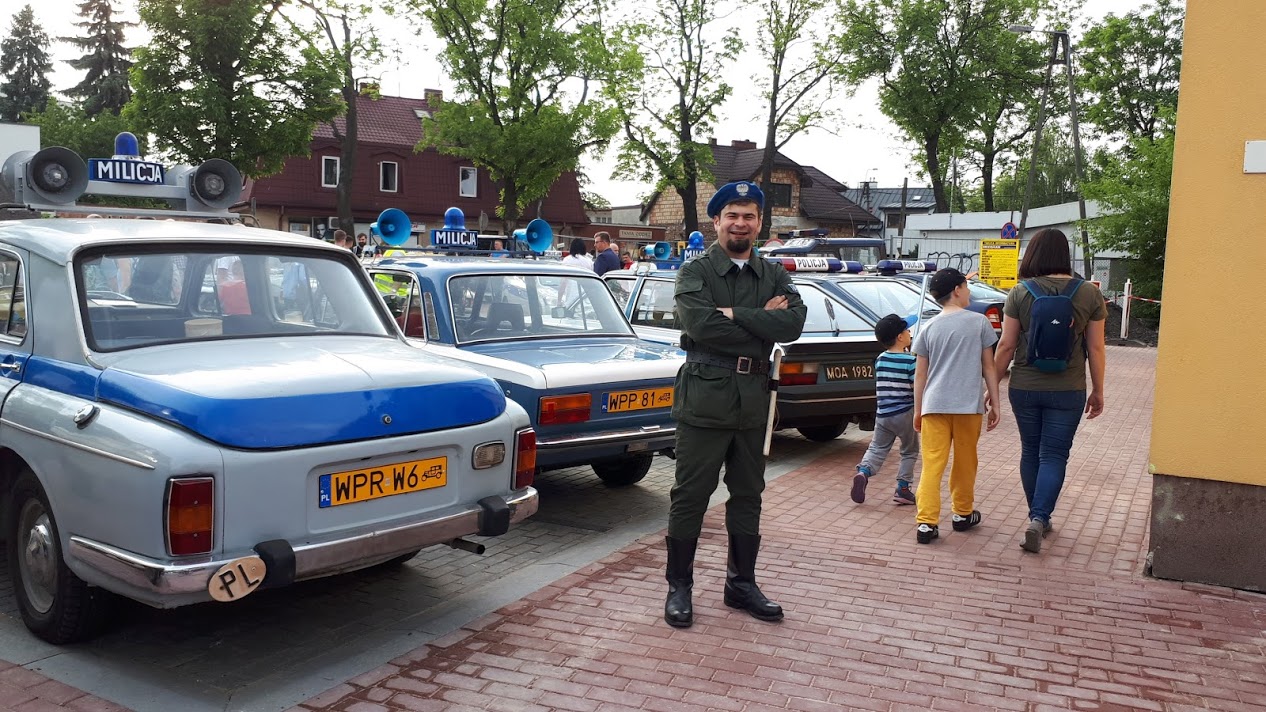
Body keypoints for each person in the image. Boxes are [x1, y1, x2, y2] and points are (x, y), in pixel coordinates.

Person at [664, 181, 807, 629]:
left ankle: (740, 584)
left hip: (754, 400)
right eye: (732, 215)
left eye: (749, 216)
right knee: (691, 495)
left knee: (748, 495)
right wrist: (763, 319)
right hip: (705, 399)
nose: (740, 224)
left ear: (760, 223)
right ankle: (679, 586)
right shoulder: (696, 271)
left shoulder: (773, 274)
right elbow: (702, 328)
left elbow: (794, 323)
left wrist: (734, 314)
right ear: (717, 221)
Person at [992, 228, 1107, 554]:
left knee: (1030, 451)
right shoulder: (1089, 294)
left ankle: (1037, 517)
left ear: (1033, 255)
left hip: (1024, 387)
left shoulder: (1019, 292)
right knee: (1054, 455)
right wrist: (1098, 390)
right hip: (1068, 389)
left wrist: (993, 386)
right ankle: (1039, 517)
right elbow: (1096, 348)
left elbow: (1006, 345)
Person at [912, 267, 1001, 545]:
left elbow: (920, 375)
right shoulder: (979, 323)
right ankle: (962, 514)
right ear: (958, 290)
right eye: (967, 286)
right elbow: (989, 366)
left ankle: (926, 523)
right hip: (967, 406)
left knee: (931, 464)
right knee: (965, 462)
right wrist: (995, 402)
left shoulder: (928, 327)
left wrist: (918, 409)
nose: (969, 291)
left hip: (934, 405)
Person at [853, 314, 920, 506]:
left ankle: (863, 472)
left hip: (883, 414)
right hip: (905, 413)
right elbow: (916, 388)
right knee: (909, 450)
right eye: (907, 330)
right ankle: (903, 488)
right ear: (900, 337)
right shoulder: (910, 362)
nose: (909, 332)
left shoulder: (880, 359)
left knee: (877, 448)